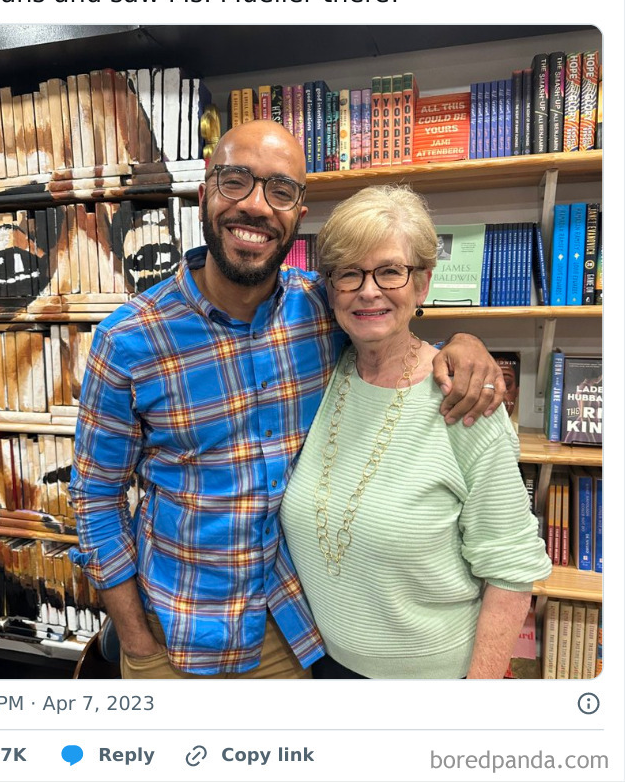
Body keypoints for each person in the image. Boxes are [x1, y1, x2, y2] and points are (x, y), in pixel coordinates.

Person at [70, 120, 507, 679]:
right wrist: (137, 644)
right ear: (204, 196)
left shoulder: (320, 309)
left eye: (280, 190)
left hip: (301, 633)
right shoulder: (128, 340)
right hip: (177, 636)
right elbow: (95, 501)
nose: (255, 206)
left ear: (299, 215)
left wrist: (464, 345)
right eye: (236, 181)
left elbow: (389, 329)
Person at [280, 185, 551, 679]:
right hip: (320, 669)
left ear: (422, 284)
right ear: (329, 287)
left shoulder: (466, 401)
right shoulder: (318, 373)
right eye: (349, 273)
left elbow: (512, 571)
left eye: (390, 271)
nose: (368, 290)